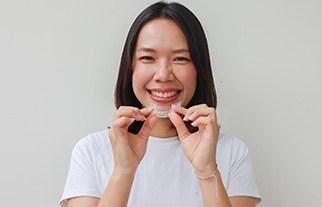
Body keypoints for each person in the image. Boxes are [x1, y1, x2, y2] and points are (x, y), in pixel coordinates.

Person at [60, 1, 261, 207]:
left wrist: (207, 170)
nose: (163, 75)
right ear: (131, 67)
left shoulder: (232, 152)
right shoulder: (90, 151)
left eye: (181, 59)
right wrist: (123, 171)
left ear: (199, 68)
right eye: (148, 57)